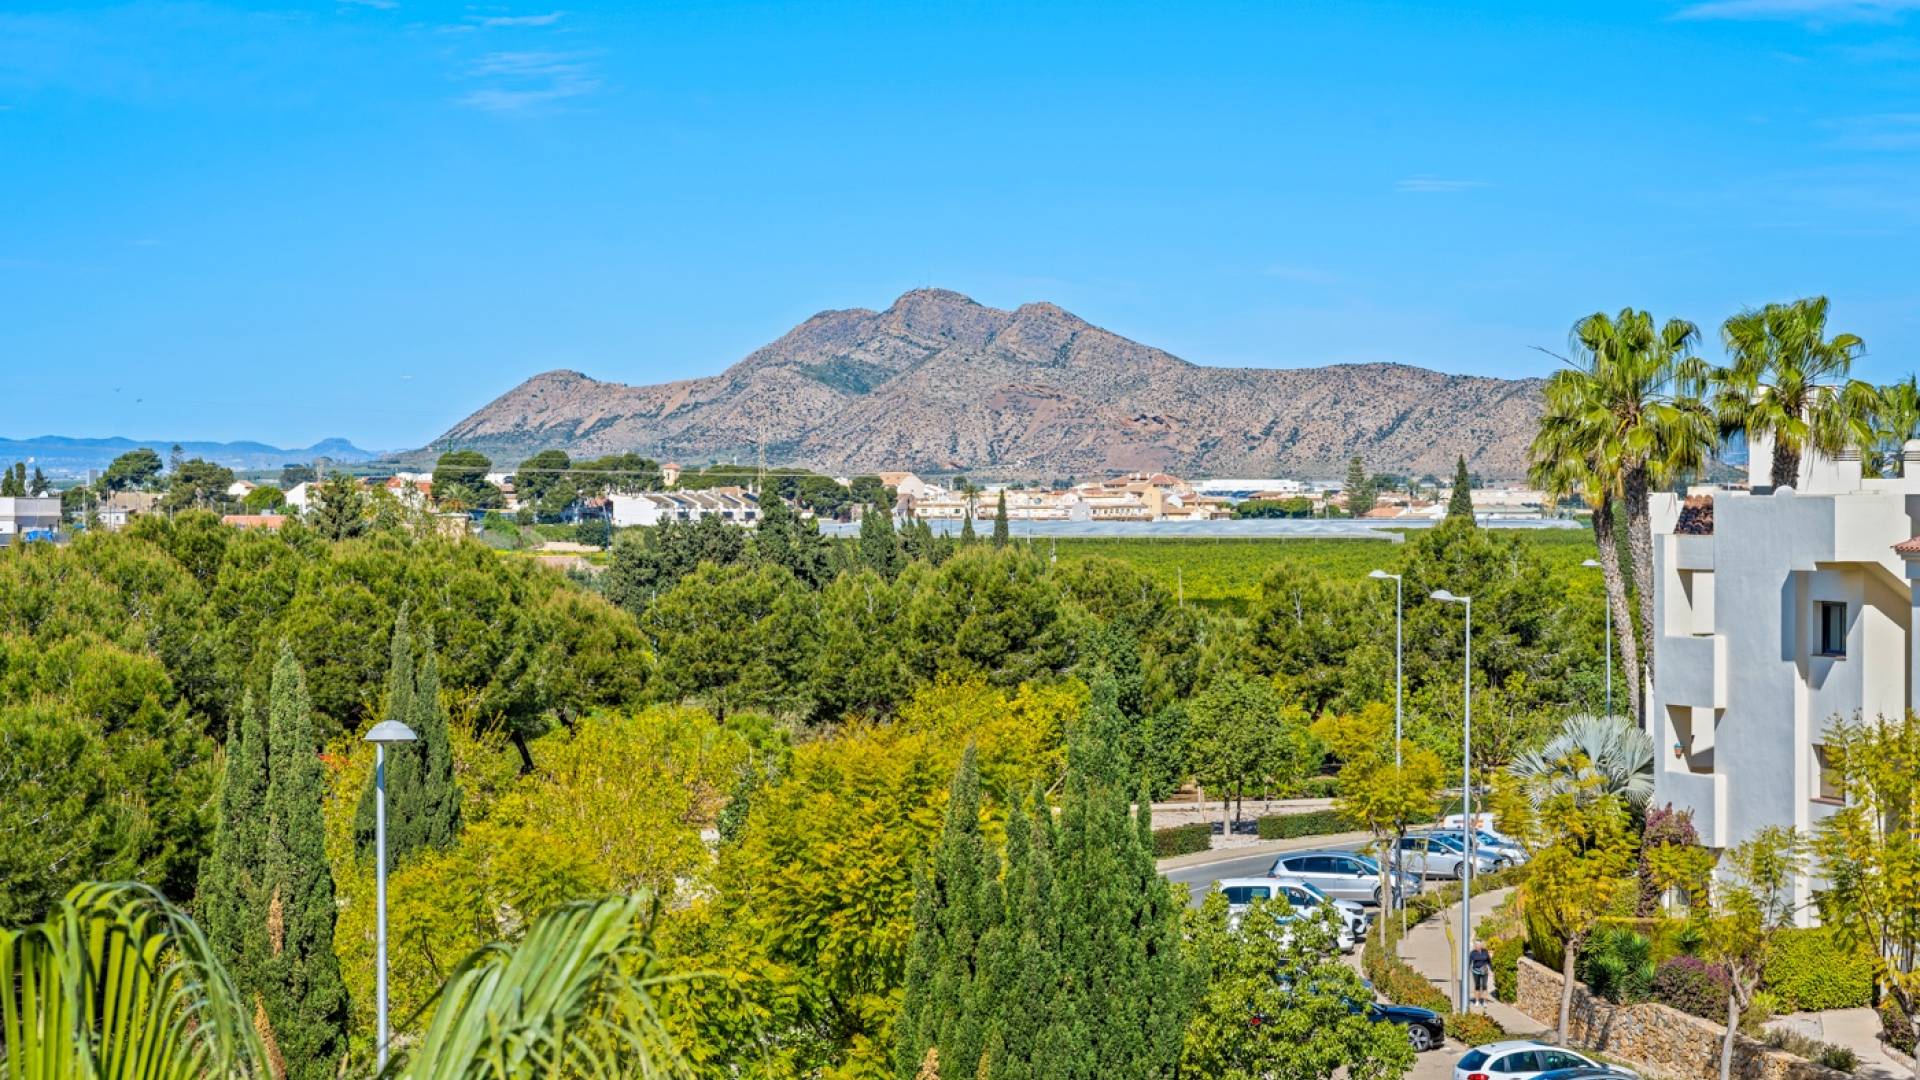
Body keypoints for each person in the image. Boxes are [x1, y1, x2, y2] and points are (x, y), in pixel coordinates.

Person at [1468, 940, 1492, 1008]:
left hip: (1484, 970)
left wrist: (1491, 970)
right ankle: (1477, 1001)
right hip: (1476, 971)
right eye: (1476, 945)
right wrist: (1468, 969)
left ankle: (1484, 1001)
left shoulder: (1485, 952)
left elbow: (1489, 961)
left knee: (1484, 985)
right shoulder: (1473, 953)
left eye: (1479, 944)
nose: (1477, 946)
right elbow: (1469, 962)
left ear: (1481, 945)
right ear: (1475, 946)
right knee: (1477, 986)